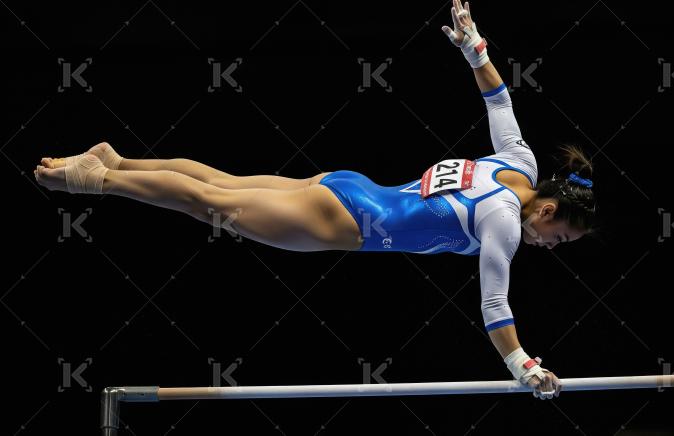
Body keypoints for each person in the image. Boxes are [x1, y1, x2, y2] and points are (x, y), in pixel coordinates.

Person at [35, 0, 596, 400]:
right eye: (559, 237)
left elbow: (498, 101)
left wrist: (475, 49)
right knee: (206, 204)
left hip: (348, 186)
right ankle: (96, 181)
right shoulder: (505, 223)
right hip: (345, 222)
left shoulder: (519, 163)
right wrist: (523, 367)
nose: (552, 247)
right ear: (546, 211)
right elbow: (495, 307)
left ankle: (116, 162)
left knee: (221, 182)